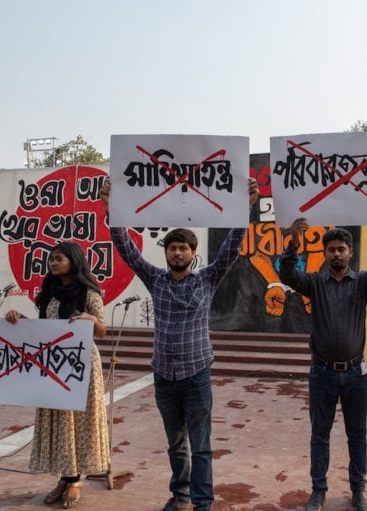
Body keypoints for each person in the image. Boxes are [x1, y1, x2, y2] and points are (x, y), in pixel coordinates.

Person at [100, 177, 258, 511]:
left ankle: (202, 503)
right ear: (167, 253)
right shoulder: (154, 277)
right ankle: (180, 496)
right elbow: (126, 248)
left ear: (192, 253)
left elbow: (231, 246)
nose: (177, 252)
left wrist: (245, 209)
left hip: (196, 375)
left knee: (200, 446)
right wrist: (111, 209)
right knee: (175, 445)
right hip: (164, 377)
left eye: (183, 248)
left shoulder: (208, 278)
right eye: (172, 248)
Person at [279, 217, 367, 511]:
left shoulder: (363, 283)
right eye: (331, 250)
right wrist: (293, 242)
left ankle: (359, 491)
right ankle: (318, 491)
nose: (337, 254)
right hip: (322, 374)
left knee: (358, 435)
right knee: (320, 435)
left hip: (356, 373)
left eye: (342, 249)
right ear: (326, 254)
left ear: (351, 252)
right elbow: (288, 275)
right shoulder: (316, 283)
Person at [4, 242, 110, 509]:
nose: (53, 263)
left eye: (59, 258)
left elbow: (101, 331)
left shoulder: (88, 293)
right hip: (53, 364)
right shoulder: (48, 294)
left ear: (74, 261)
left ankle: (75, 481)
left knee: (77, 422)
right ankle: (65, 477)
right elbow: (43, 330)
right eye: (50, 259)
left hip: (82, 364)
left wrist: (90, 319)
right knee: (60, 421)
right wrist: (20, 320)